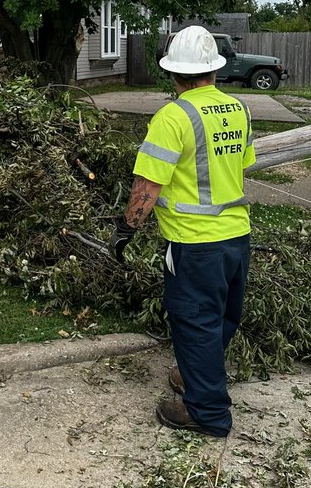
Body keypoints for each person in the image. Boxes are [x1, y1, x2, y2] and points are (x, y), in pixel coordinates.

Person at [108, 25, 255, 437]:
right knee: (224, 316)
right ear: (213, 70)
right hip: (236, 237)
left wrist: (126, 229)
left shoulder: (173, 117)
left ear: (174, 73)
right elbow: (241, 168)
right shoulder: (239, 110)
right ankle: (195, 375)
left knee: (195, 323)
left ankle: (207, 413)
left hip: (194, 244)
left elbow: (147, 186)